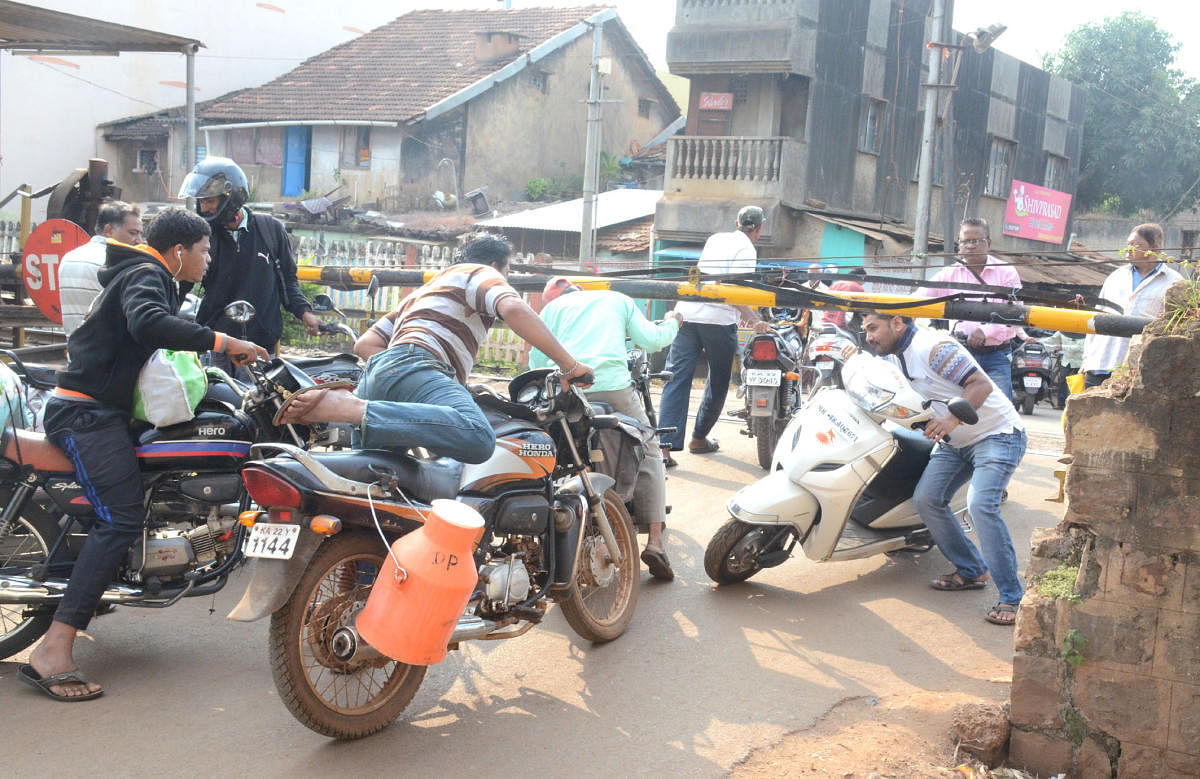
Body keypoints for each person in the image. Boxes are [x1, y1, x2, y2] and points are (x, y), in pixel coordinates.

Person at [21, 209, 267, 702]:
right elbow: (149, 323)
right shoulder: (144, 272)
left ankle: (109, 579)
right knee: (121, 517)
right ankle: (53, 649)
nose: (209, 258)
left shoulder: (147, 274)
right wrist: (224, 341)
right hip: (84, 414)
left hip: (101, 411)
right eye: (204, 250)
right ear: (179, 252)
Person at [279, 233, 592, 463]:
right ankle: (354, 409)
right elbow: (514, 309)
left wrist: (402, 373)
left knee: (383, 488)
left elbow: (366, 344)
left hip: (377, 376)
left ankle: (360, 410)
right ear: (497, 265)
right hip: (416, 365)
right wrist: (570, 366)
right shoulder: (482, 273)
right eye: (506, 272)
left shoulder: (426, 289)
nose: (504, 279)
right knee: (479, 437)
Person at [847, 312, 1027, 626]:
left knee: (981, 505)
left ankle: (1013, 597)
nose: (870, 336)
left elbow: (980, 384)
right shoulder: (898, 356)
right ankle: (972, 569)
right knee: (927, 499)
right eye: (865, 330)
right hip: (955, 442)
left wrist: (950, 420)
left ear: (898, 324)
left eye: (874, 328)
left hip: (996, 436)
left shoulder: (932, 347)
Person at [530, 277, 681, 580]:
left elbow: (535, 361)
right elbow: (651, 340)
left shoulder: (550, 310)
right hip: (610, 385)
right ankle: (654, 542)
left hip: (565, 391)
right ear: (581, 290)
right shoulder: (617, 300)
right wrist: (673, 322)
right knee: (649, 446)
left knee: (556, 455)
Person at [178, 157, 319, 368]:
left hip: (261, 346)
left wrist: (305, 313)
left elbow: (288, 281)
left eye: (209, 201)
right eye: (201, 201)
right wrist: (164, 321)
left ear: (231, 197)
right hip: (218, 345)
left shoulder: (270, 230)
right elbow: (184, 283)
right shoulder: (203, 236)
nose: (203, 207)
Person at [658, 205, 771, 467]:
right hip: (718, 321)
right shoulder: (747, 249)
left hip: (686, 313)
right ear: (759, 229)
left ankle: (664, 450)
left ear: (736, 222)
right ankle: (698, 438)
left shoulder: (715, 238)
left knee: (675, 379)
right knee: (719, 381)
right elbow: (735, 290)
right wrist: (754, 319)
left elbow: (708, 279)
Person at [923, 218, 1023, 399]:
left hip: (996, 355)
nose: (970, 246)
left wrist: (985, 332)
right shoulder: (949, 274)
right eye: (965, 242)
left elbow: (1015, 314)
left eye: (976, 241)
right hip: (961, 353)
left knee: (1001, 409)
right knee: (955, 406)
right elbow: (918, 299)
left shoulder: (1007, 272)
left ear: (988, 243)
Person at [1081, 222, 1183, 389]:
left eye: (1136, 245)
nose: (1129, 249)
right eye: (1128, 244)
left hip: (1139, 370)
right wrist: (1086, 359)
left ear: (1155, 248)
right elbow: (1097, 317)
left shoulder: (1174, 282)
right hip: (1100, 363)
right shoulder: (1116, 277)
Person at [58, 201, 143, 335]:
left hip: (74, 350)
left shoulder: (68, 258)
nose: (139, 240)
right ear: (109, 230)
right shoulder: (115, 264)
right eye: (133, 233)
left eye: (140, 234)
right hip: (108, 352)